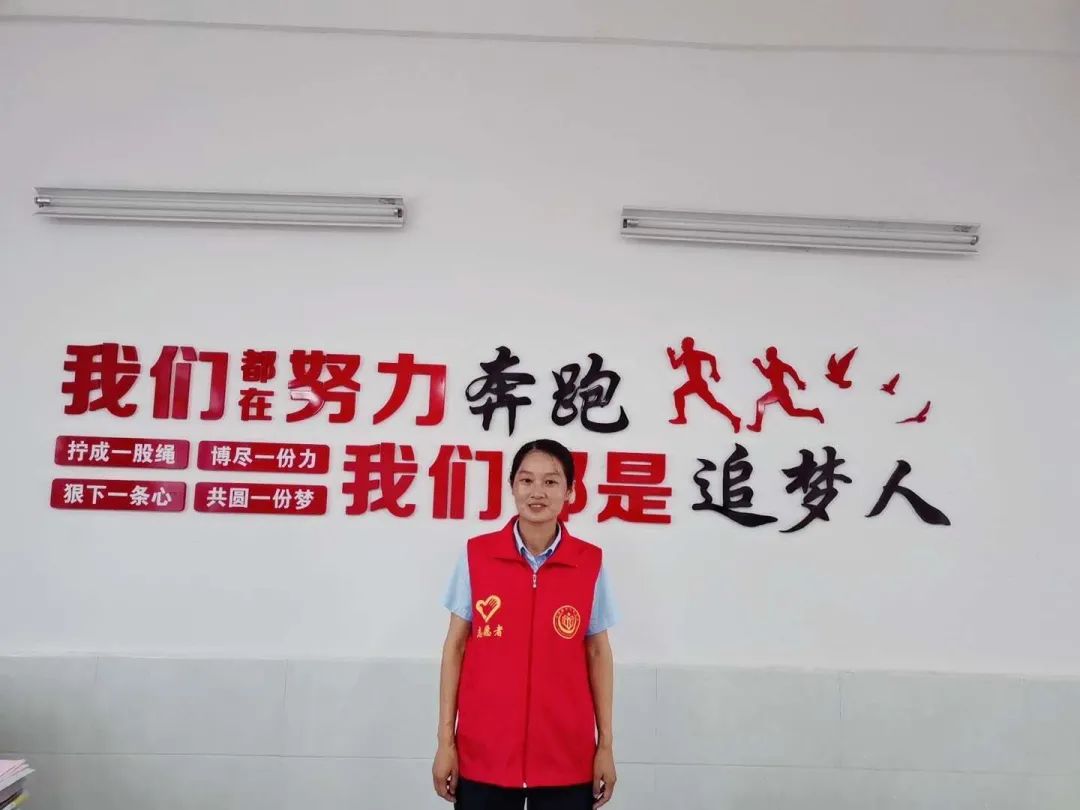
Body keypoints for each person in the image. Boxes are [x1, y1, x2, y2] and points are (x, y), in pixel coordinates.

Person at [433, 438, 618, 809]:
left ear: (570, 491)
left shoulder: (589, 563)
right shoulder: (477, 556)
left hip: (567, 761)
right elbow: (455, 648)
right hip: (484, 758)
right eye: (526, 480)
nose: (537, 492)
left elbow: (598, 653)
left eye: (551, 481)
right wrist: (445, 743)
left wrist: (606, 747)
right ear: (512, 486)